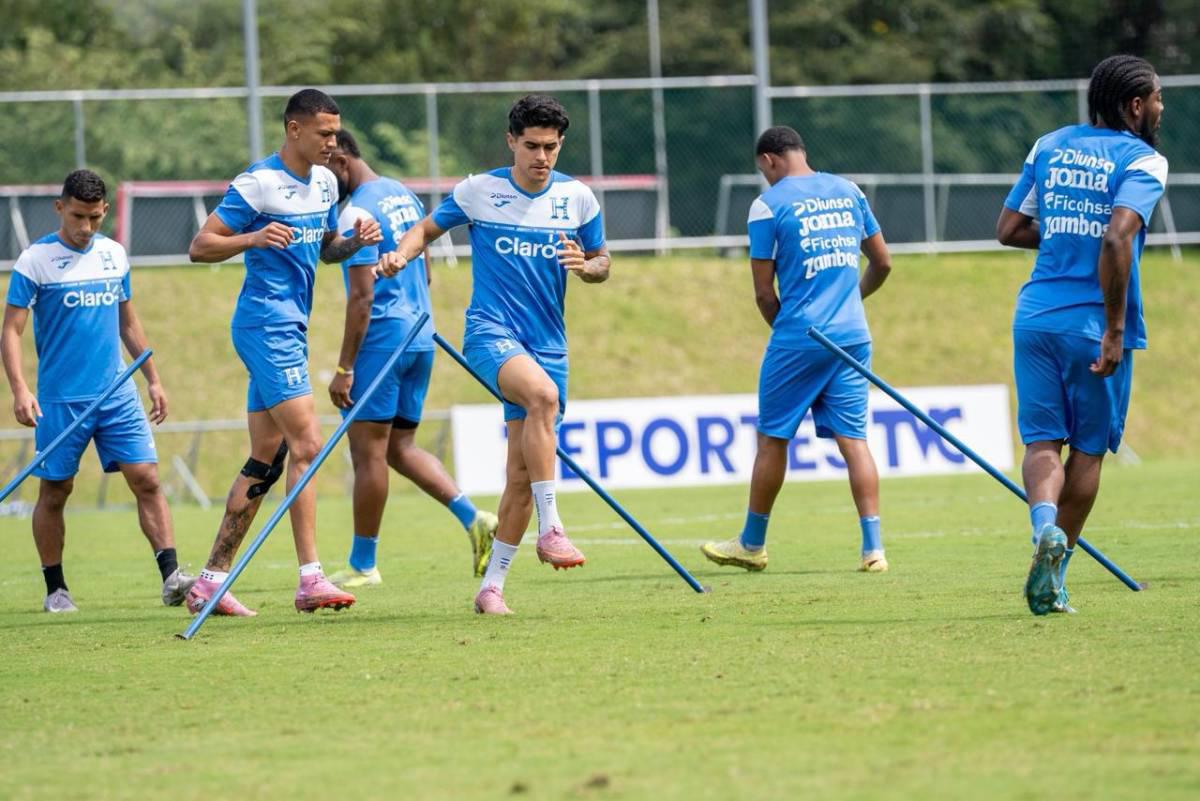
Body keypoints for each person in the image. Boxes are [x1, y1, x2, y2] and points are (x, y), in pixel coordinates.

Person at [379, 94, 610, 615]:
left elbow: (602, 261)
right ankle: (554, 529)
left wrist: (588, 267)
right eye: (531, 146)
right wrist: (401, 254)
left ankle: (492, 588)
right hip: (490, 334)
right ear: (512, 141)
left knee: (521, 475)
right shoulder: (479, 191)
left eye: (551, 147)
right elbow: (425, 229)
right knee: (543, 397)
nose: (542, 157)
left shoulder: (578, 198)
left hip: (550, 343)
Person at [184, 89, 382, 616]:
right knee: (308, 444)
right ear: (294, 130)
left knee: (263, 461)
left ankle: (208, 582)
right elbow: (200, 246)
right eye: (322, 133)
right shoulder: (259, 182)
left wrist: (355, 244)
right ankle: (311, 578)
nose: (332, 142)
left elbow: (325, 249)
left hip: (291, 327)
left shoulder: (324, 183)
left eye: (336, 133)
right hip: (263, 324)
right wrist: (250, 240)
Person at [996, 55, 1167, 615]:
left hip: (1035, 316)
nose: (1162, 108)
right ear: (1136, 104)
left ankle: (1043, 527)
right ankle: (1054, 574)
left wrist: (1064, 239)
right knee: (1089, 453)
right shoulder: (1143, 159)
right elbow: (1118, 239)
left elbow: (1010, 229)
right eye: (1158, 98)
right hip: (1092, 326)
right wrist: (1115, 331)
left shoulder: (1048, 145)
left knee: (1042, 441)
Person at [700, 126, 893, 575]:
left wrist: (791, 330)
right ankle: (874, 548)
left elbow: (765, 295)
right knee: (855, 440)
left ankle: (751, 543)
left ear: (769, 160)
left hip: (799, 338)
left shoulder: (768, 204)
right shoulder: (849, 190)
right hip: (852, 336)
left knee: (772, 438)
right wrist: (851, 301)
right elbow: (883, 262)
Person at [1, 169, 195, 613]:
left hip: (117, 391)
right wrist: (19, 389)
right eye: (76, 217)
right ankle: (56, 589)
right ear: (59, 208)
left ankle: (171, 578)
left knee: (146, 478)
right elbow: (10, 332)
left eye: (93, 217)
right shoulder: (35, 261)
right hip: (61, 400)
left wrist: (153, 377)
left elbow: (128, 320)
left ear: (104, 210)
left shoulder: (113, 254)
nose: (85, 228)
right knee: (56, 490)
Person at [321, 128, 498, 587]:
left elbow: (361, 300)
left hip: (383, 340)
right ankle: (473, 517)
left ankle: (363, 564)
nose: (322, 184)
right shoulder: (401, 193)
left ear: (341, 159)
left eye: (324, 172)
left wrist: (344, 369)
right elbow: (426, 267)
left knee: (368, 454)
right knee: (400, 448)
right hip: (421, 334)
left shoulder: (356, 212)